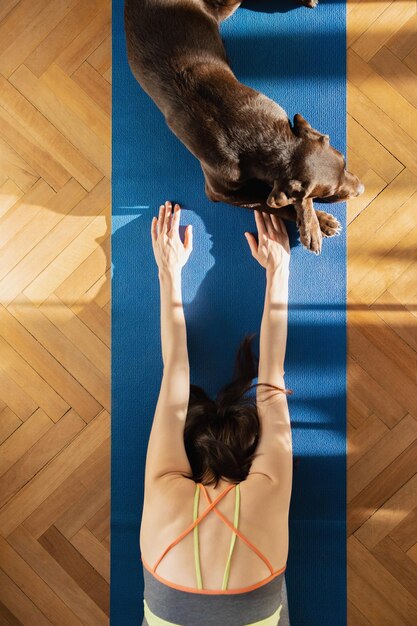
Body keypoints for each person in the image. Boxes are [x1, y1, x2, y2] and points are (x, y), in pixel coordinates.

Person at [140, 201, 293, 626]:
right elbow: (175, 376)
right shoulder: (164, 488)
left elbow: (271, 382)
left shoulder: (268, 488)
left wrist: (278, 269)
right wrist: (169, 272)